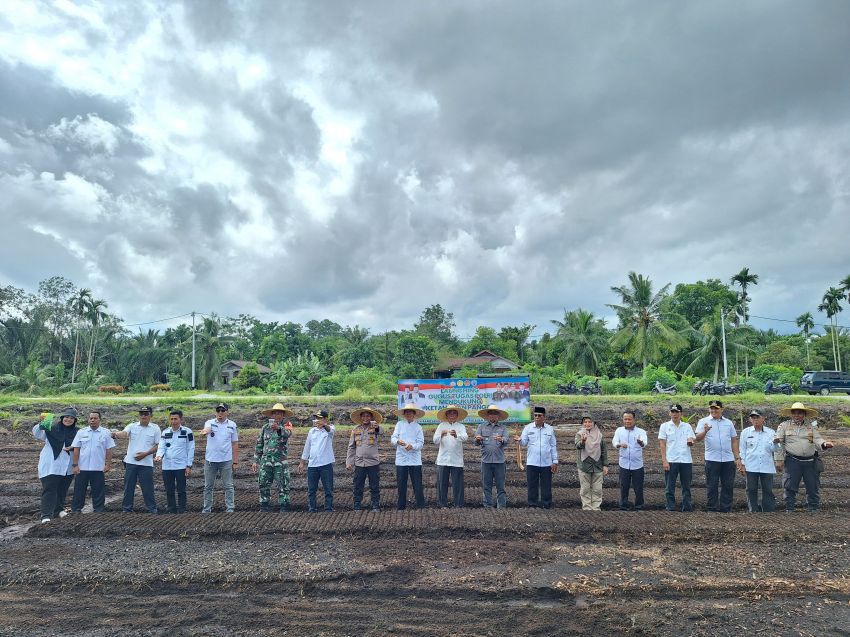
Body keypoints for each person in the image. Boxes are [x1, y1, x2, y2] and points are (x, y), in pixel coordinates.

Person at [774, 402, 835, 512]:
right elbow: (778, 443)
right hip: (792, 461)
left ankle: (812, 508)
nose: (797, 415)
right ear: (791, 414)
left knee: (813, 486)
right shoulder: (784, 425)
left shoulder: (811, 426)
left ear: (804, 414)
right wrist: (779, 459)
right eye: (794, 413)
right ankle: (790, 508)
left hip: (810, 461)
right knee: (790, 486)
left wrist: (824, 444)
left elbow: (817, 439)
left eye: (800, 413)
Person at [33, 408, 79, 523]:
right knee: (49, 490)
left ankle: (58, 510)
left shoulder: (77, 432)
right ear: (62, 418)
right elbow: (38, 434)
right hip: (51, 465)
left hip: (68, 466)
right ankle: (46, 515)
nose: (68, 419)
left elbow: (82, 445)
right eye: (66, 417)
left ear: (75, 420)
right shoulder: (51, 429)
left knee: (62, 489)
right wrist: (42, 422)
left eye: (71, 418)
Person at [113, 406, 161, 514]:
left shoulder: (155, 428)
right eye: (141, 414)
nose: (143, 416)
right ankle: (126, 509)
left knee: (147, 488)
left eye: (146, 414)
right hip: (131, 462)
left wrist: (145, 454)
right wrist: (115, 434)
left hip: (146, 464)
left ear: (151, 415)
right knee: (128, 487)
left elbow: (159, 445)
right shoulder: (132, 426)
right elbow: (124, 434)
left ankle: (152, 509)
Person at [695, 399, 740, 512]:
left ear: (721, 409)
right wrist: (705, 431)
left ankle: (726, 508)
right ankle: (712, 508)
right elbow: (697, 439)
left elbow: (734, 440)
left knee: (728, 485)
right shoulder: (703, 422)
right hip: (712, 459)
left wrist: (737, 457)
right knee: (712, 484)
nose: (714, 410)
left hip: (728, 459)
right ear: (709, 409)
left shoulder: (728, 423)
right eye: (712, 408)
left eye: (716, 408)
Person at [70, 410, 115, 514]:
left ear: (100, 420)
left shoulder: (106, 433)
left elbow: (109, 450)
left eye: (95, 418)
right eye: (91, 418)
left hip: (98, 467)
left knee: (98, 490)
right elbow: (76, 449)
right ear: (88, 420)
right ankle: (76, 509)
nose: (92, 420)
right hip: (82, 467)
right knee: (79, 490)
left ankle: (98, 508)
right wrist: (75, 465)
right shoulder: (81, 432)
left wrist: (108, 464)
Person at [251, 403, 293, 513]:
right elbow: (259, 444)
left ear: (283, 415)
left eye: (279, 413)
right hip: (266, 460)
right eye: (275, 413)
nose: (277, 415)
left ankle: (284, 505)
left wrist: (278, 428)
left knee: (283, 484)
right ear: (272, 415)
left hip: (280, 460)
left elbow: (287, 434)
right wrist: (256, 460)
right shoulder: (265, 427)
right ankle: (264, 505)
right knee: (263, 483)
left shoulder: (287, 425)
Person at [200, 402, 239, 513]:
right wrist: (205, 431)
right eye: (218, 410)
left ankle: (230, 508)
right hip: (210, 460)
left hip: (226, 460)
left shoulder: (232, 424)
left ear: (227, 412)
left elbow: (235, 443)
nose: (220, 413)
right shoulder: (210, 422)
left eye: (222, 410)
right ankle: (206, 509)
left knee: (228, 486)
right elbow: (207, 429)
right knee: (208, 486)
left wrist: (235, 461)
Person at [738, 409, 779, 513]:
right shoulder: (745, 432)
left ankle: (768, 510)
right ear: (750, 419)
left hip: (766, 465)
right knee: (751, 489)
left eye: (757, 417)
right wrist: (742, 464)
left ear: (763, 418)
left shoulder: (770, 432)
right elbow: (742, 449)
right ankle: (753, 510)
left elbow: (774, 449)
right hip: (751, 465)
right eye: (753, 417)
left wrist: (775, 443)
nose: (755, 419)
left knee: (768, 490)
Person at [154, 409, 194, 514]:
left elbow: (191, 448)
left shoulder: (187, 432)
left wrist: (189, 465)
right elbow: (162, 446)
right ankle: (171, 508)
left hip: (181, 465)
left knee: (181, 489)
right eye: (171, 419)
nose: (173, 421)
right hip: (167, 466)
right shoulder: (165, 432)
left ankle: (182, 508)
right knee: (169, 489)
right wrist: (158, 456)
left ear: (181, 419)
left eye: (175, 419)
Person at [517, 406, 558, 509]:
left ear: (544, 417)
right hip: (532, 462)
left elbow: (553, 446)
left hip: (546, 462)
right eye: (535, 415)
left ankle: (546, 503)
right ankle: (532, 504)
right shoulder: (528, 428)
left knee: (546, 485)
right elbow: (524, 442)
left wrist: (555, 461)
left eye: (539, 416)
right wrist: (519, 440)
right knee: (532, 484)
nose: (537, 417)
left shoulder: (550, 429)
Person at [658, 404, 696, 512]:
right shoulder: (664, 426)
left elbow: (692, 439)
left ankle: (687, 506)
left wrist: (690, 441)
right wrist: (664, 460)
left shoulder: (687, 426)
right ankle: (670, 506)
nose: (675, 414)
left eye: (677, 412)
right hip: (671, 460)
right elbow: (662, 444)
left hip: (686, 460)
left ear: (681, 413)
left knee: (686, 486)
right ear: (669, 413)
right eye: (673, 412)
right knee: (670, 486)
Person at [346, 407, 383, 511]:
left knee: (374, 485)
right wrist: (349, 462)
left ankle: (375, 505)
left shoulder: (375, 428)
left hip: (373, 462)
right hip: (359, 463)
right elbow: (351, 447)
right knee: (358, 485)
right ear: (361, 417)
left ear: (371, 417)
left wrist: (377, 426)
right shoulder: (356, 429)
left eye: (368, 416)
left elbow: (381, 431)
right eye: (363, 416)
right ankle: (357, 505)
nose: (365, 418)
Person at [298, 410, 335, 512]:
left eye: (320, 418)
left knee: (328, 488)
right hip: (312, 464)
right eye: (317, 418)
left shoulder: (329, 429)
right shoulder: (312, 431)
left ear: (325, 419)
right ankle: (312, 508)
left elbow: (330, 431)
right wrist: (302, 462)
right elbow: (307, 447)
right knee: (311, 489)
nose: (318, 420)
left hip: (325, 463)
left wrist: (324, 425)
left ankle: (328, 508)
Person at [391, 404, 426, 510]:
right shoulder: (399, 424)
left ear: (414, 414)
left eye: (411, 412)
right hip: (401, 459)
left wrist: (412, 447)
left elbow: (421, 443)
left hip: (415, 460)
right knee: (401, 484)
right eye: (406, 412)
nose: (408, 414)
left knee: (417, 484)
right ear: (404, 414)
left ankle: (420, 506)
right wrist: (398, 441)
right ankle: (401, 506)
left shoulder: (418, 427)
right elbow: (393, 438)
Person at [611, 410, 648, 511]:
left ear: (634, 420)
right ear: (623, 420)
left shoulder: (641, 431)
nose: (627, 421)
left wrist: (640, 442)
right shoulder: (619, 430)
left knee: (638, 486)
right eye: (625, 419)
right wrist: (619, 445)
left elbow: (644, 443)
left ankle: (639, 505)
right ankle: (623, 505)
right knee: (624, 485)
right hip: (624, 464)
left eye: (629, 419)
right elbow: (614, 441)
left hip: (637, 464)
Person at [433, 405, 469, 508]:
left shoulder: (461, 426)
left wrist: (457, 436)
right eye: (450, 413)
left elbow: (465, 437)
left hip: (456, 459)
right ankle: (441, 504)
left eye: (454, 413)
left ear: (457, 416)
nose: (452, 415)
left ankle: (458, 504)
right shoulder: (441, 426)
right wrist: (441, 435)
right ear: (446, 415)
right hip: (443, 459)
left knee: (458, 484)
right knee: (442, 483)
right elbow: (435, 440)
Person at [475, 405, 510, 509]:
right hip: (486, 461)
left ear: (498, 416)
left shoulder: (503, 428)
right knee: (486, 485)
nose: (492, 416)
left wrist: (501, 439)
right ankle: (488, 505)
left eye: (495, 413)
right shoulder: (481, 427)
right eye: (490, 413)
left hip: (499, 461)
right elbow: (476, 442)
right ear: (487, 415)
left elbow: (507, 440)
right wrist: (477, 439)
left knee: (500, 485)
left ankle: (501, 506)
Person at [575, 415, 608, 511]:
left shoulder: (599, 435)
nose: (587, 424)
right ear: (582, 424)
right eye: (585, 422)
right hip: (584, 466)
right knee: (585, 489)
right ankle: (587, 508)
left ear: (594, 423)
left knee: (597, 489)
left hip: (597, 466)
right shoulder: (579, 434)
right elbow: (578, 446)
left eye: (590, 422)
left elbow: (604, 451)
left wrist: (605, 465)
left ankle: (596, 508)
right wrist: (583, 441)